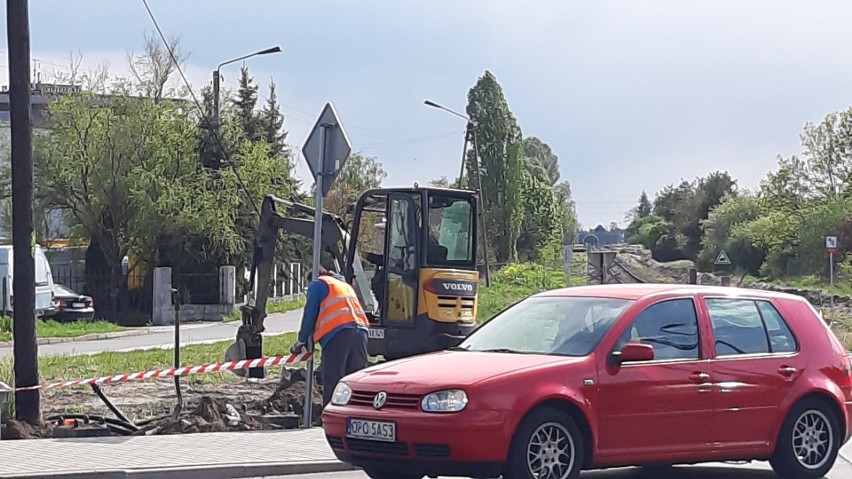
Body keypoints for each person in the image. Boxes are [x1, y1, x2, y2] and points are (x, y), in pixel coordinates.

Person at [290, 267, 370, 406]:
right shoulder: (344, 285)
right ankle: (355, 417)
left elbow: (310, 314)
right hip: (361, 332)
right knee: (355, 381)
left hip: (338, 334)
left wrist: (301, 341)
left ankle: (330, 417)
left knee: (333, 379)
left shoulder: (318, 284)